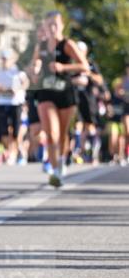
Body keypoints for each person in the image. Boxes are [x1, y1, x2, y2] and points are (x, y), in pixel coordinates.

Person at [30, 11, 88, 187]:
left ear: (62, 25)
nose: (52, 28)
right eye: (49, 25)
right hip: (46, 92)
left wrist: (63, 67)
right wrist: (35, 69)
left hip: (65, 93)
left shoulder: (67, 44)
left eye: (55, 24)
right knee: (51, 133)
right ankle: (55, 171)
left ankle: (62, 159)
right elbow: (33, 67)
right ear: (45, 28)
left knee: (62, 134)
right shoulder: (40, 46)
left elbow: (84, 66)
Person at [0, 48, 29, 165]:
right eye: (3, 59)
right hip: (2, 103)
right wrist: (0, 89)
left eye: (6, 59)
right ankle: (11, 152)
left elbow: (26, 83)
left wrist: (17, 89)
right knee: (4, 132)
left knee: (16, 131)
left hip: (16, 103)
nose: (4, 61)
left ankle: (18, 152)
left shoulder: (17, 71)